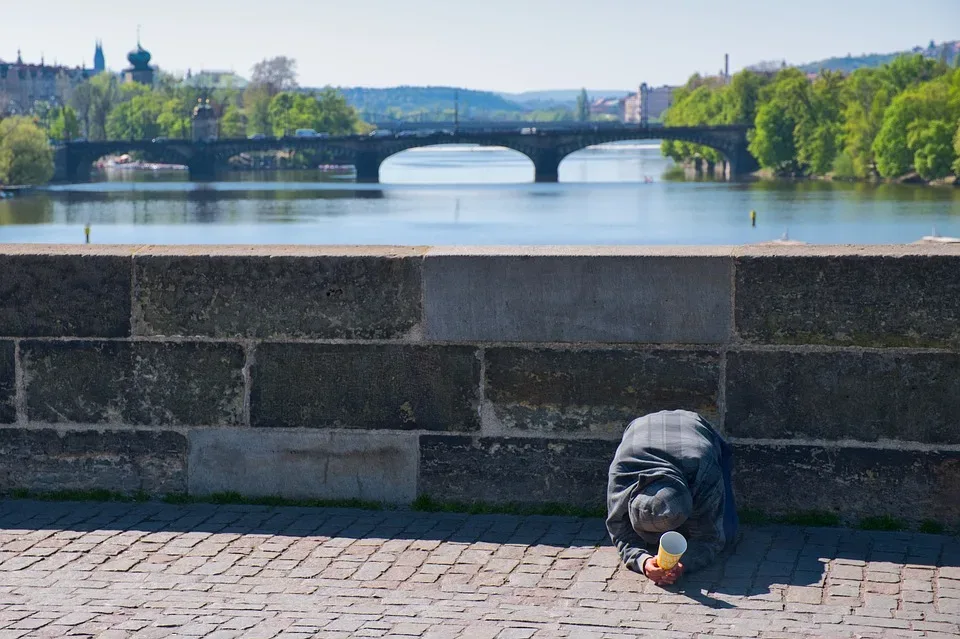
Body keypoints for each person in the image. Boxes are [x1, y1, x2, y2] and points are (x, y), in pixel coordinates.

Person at [606, 410, 739, 586]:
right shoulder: (622, 474)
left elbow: (710, 538)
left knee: (727, 531)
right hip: (641, 427)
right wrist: (643, 562)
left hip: (694, 426)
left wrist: (684, 564)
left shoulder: (704, 472)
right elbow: (620, 533)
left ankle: (687, 525)